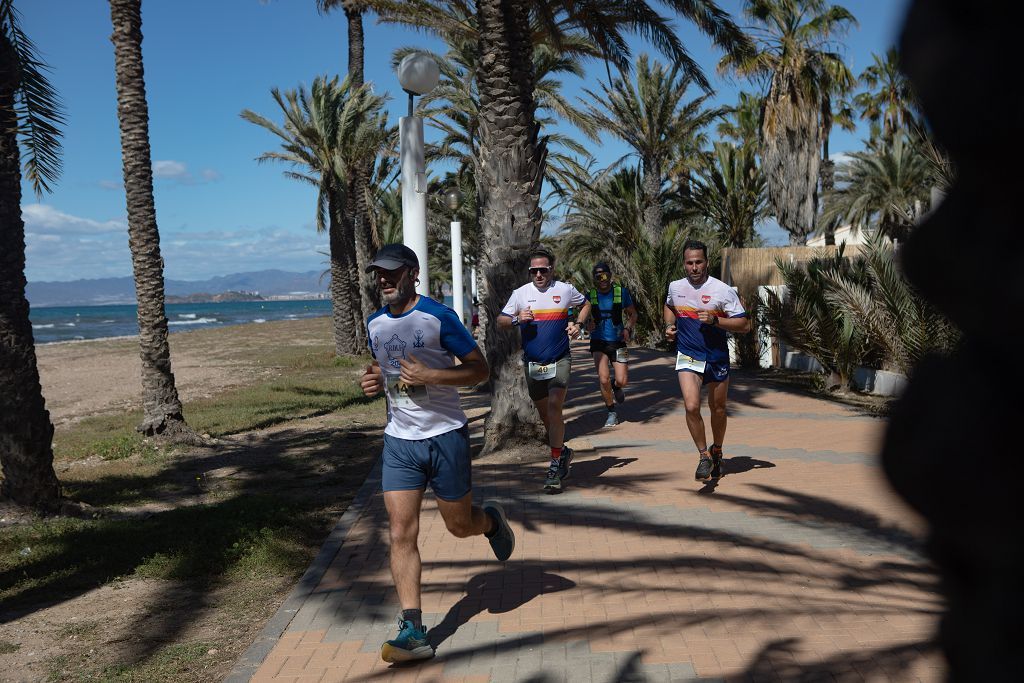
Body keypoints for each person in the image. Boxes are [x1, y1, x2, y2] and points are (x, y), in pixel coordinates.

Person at [359, 243, 515, 663]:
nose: (384, 279)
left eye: (392, 272)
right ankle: (413, 628)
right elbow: (386, 371)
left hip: (445, 436)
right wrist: (374, 381)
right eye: (379, 273)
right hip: (399, 442)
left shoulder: (437, 318)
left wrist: (434, 375)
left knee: (458, 525)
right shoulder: (375, 324)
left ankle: (490, 521)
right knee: (400, 531)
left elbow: (479, 368)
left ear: (413, 274)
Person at [498, 247, 591, 493]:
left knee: (554, 407)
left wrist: (578, 325)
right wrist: (518, 318)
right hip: (534, 363)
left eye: (543, 270)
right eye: (534, 270)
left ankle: (553, 466)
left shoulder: (565, 290)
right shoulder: (520, 294)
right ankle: (563, 453)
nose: (538, 274)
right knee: (546, 415)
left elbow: (586, 304)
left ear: (552, 269)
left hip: (560, 358)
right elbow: (501, 320)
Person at [663, 240, 751, 481]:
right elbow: (669, 306)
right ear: (684, 264)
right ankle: (704, 455)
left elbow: (745, 324)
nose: (694, 267)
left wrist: (715, 321)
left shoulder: (722, 290)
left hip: (716, 356)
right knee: (691, 406)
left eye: (698, 262)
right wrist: (669, 325)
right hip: (688, 354)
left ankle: (718, 450)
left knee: (718, 408)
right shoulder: (675, 287)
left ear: (707, 263)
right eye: (689, 263)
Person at [586, 262, 638, 428]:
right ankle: (611, 411)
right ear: (594, 279)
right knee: (603, 378)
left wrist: (628, 329)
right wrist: (588, 324)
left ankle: (617, 387)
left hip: (618, 341)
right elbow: (582, 315)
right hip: (598, 341)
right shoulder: (590, 295)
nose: (602, 279)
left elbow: (632, 314)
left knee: (622, 380)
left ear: (610, 275)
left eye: (605, 275)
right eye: (598, 276)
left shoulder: (621, 293)